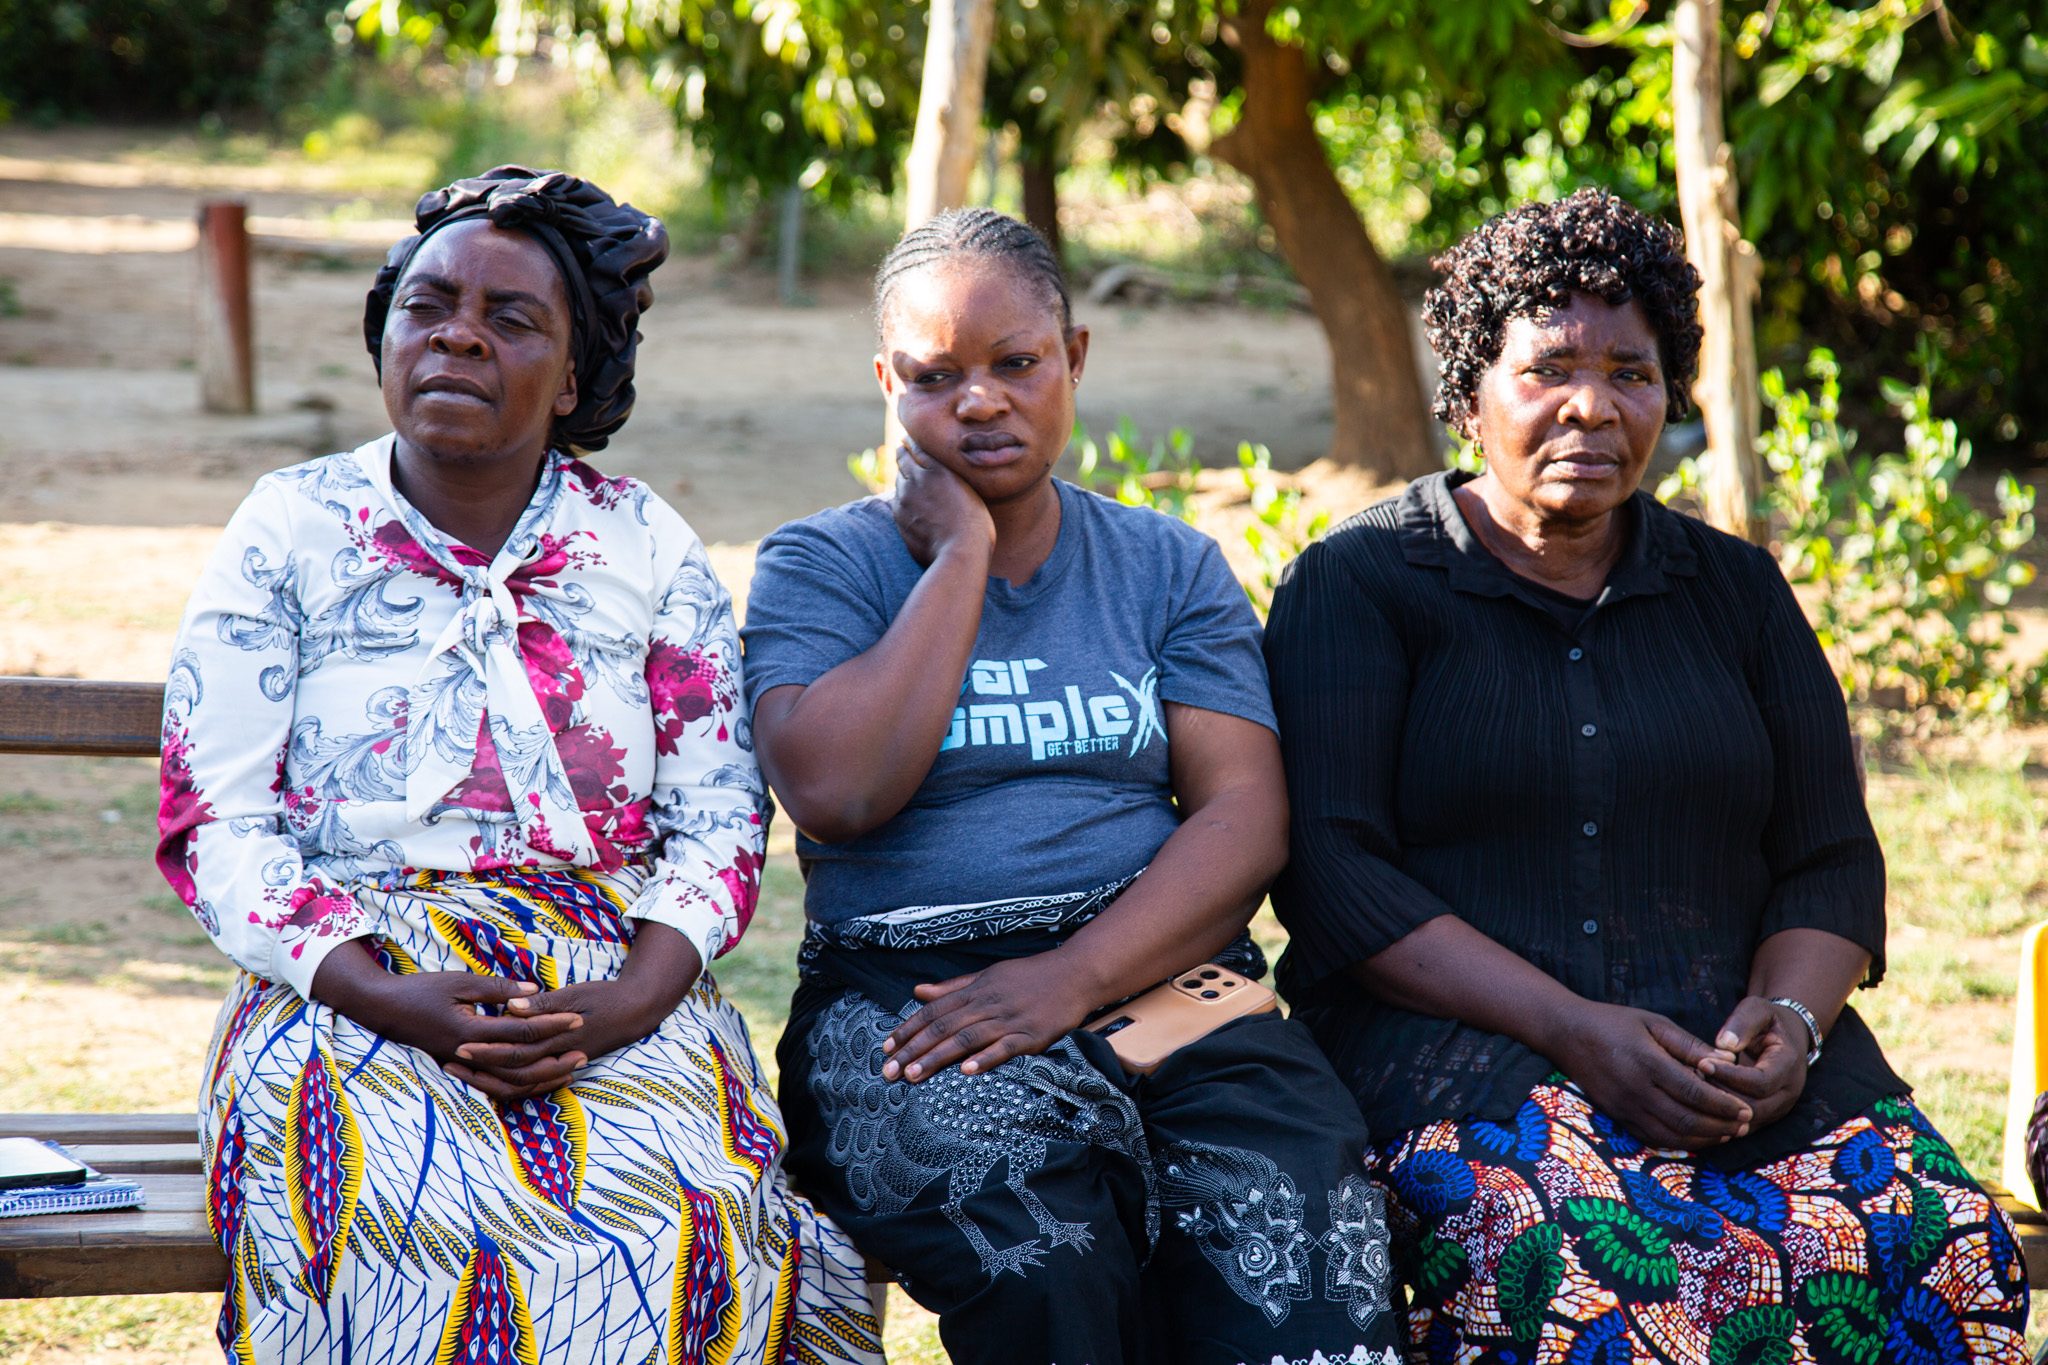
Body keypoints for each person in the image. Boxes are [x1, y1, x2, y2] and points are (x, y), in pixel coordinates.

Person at [1263, 186, 2029, 1363]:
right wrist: (1571, 1029)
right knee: (1595, 1271)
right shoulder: (1362, 583)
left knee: (1936, 1241)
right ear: (1468, 394)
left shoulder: (1733, 593)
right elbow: (1331, 871)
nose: (1591, 406)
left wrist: (1788, 1024)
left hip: (1728, 1064)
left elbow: (1826, 859)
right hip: (1460, 1059)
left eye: (1630, 372)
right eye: (1548, 368)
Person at [156, 167, 882, 1365]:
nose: (456, 334)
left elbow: (715, 822)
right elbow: (216, 822)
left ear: (578, 378)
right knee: (393, 1207)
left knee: (685, 1221)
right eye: (426, 306)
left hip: (609, 977)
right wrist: (387, 993)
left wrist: (626, 1005)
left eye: (510, 319)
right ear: (383, 334)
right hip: (343, 981)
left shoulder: (644, 546)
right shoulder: (287, 529)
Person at [740, 207, 1402, 1365]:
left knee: (1303, 1223)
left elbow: (1243, 815)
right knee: (1050, 1266)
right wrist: (958, 558)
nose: (979, 400)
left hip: (1163, 975)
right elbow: (839, 797)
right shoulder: (824, 563)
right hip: (917, 1007)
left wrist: (1071, 978)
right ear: (886, 384)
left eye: (1015, 363)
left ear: (1074, 360)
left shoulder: (1164, 565)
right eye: (936, 376)